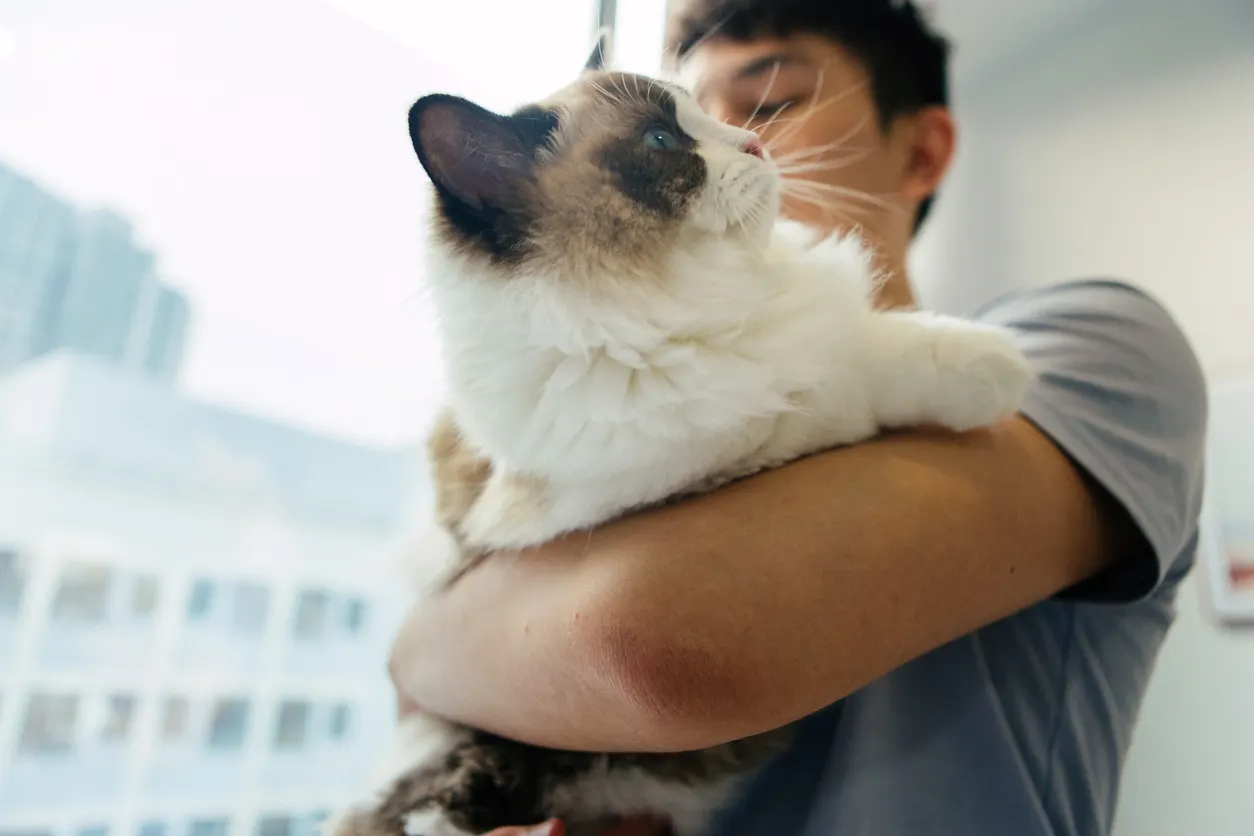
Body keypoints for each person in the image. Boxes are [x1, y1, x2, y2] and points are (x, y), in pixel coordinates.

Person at [388, 1, 1209, 834]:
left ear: (921, 150)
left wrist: (428, 651)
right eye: (694, 116)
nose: (743, 141)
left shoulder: (1097, 345)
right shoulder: (561, 410)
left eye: (769, 100)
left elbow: (664, 649)